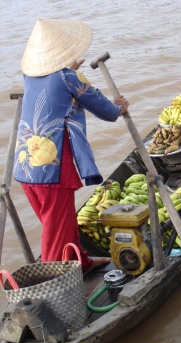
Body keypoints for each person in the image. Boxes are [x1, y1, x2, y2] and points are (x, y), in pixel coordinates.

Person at [13, 18, 129, 275]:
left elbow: (54, 91)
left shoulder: (30, 76)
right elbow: (107, 111)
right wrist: (121, 105)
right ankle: (55, 288)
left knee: (59, 225)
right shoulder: (69, 77)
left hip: (25, 166)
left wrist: (72, 69)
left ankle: (81, 263)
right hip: (52, 169)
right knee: (55, 239)